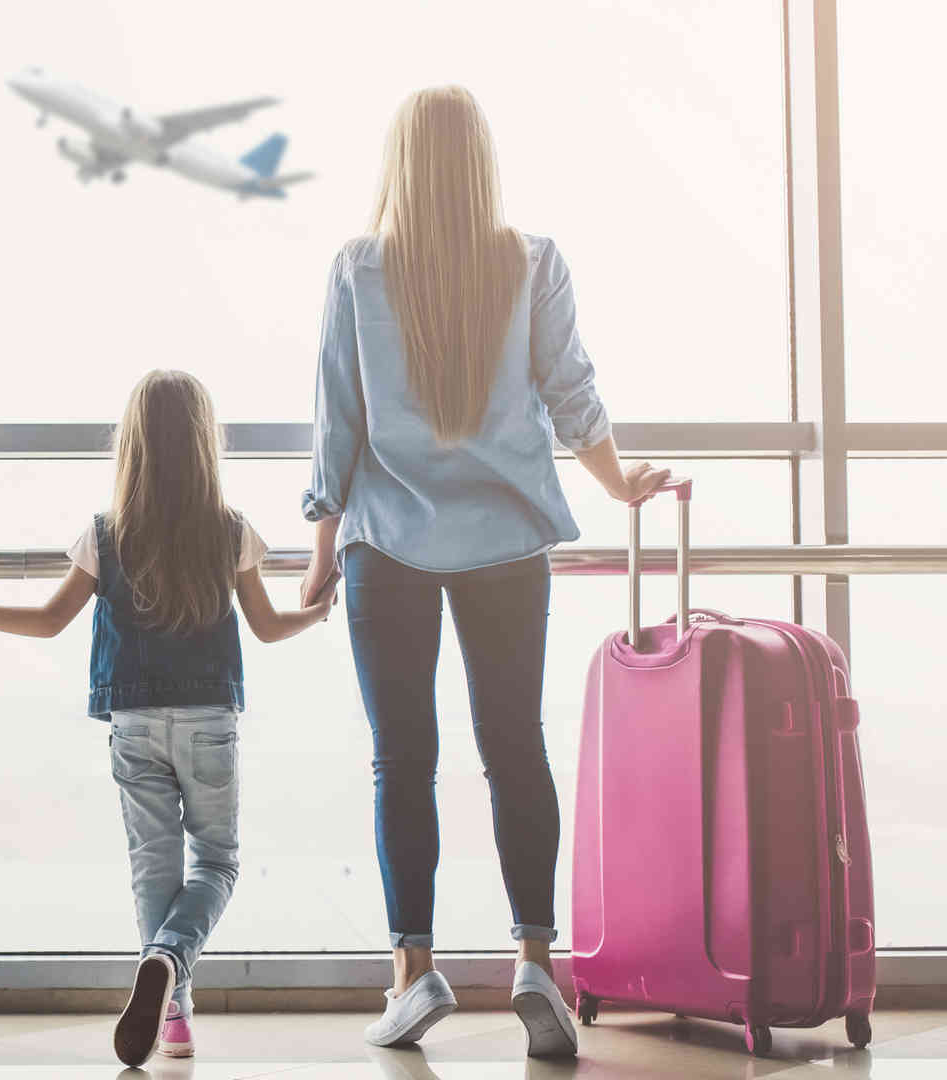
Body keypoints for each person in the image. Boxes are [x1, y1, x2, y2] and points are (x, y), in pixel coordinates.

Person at [298, 86, 669, 1057]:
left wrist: (318, 546)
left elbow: (338, 425)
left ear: (401, 164)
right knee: (514, 747)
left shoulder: (358, 269)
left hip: (388, 544)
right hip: (507, 543)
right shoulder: (532, 262)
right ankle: (536, 962)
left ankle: (414, 976)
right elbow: (572, 391)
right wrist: (619, 482)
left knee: (403, 761)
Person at [0, 370, 336, 1067]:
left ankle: (173, 1019)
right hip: (209, 719)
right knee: (217, 862)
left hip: (134, 720)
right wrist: (320, 610)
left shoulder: (106, 532)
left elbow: (49, 621)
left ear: (134, 446)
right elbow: (268, 628)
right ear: (206, 443)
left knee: (155, 871)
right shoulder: (230, 529)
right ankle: (170, 964)